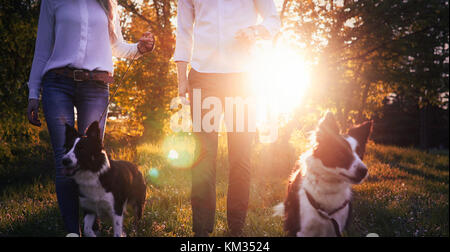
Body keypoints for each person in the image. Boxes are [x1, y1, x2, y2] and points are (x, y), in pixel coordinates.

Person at [26, 0, 155, 236]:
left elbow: (116, 46)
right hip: (57, 84)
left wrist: (139, 48)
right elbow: (43, 49)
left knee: (91, 156)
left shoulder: (107, 4)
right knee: (63, 158)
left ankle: (91, 227)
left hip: (96, 87)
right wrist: (33, 92)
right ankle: (72, 231)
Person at [174, 0, 280, 237]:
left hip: (242, 78)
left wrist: (255, 31)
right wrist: (182, 78)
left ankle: (236, 229)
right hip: (203, 76)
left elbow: (273, 20)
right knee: (203, 156)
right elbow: (183, 30)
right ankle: (201, 232)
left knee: (240, 156)